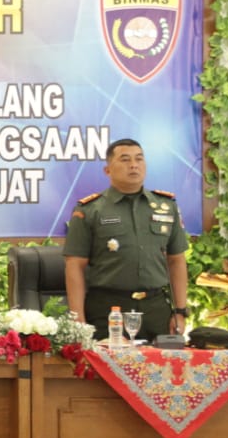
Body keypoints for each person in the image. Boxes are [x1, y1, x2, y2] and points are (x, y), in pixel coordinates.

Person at [63, 138, 190, 341]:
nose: (133, 165)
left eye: (139, 159)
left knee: (162, 370)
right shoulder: (90, 209)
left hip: (156, 309)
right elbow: (74, 265)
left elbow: (176, 260)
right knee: (106, 371)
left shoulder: (166, 206)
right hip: (108, 309)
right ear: (107, 170)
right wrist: (78, 321)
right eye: (125, 159)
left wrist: (181, 311)